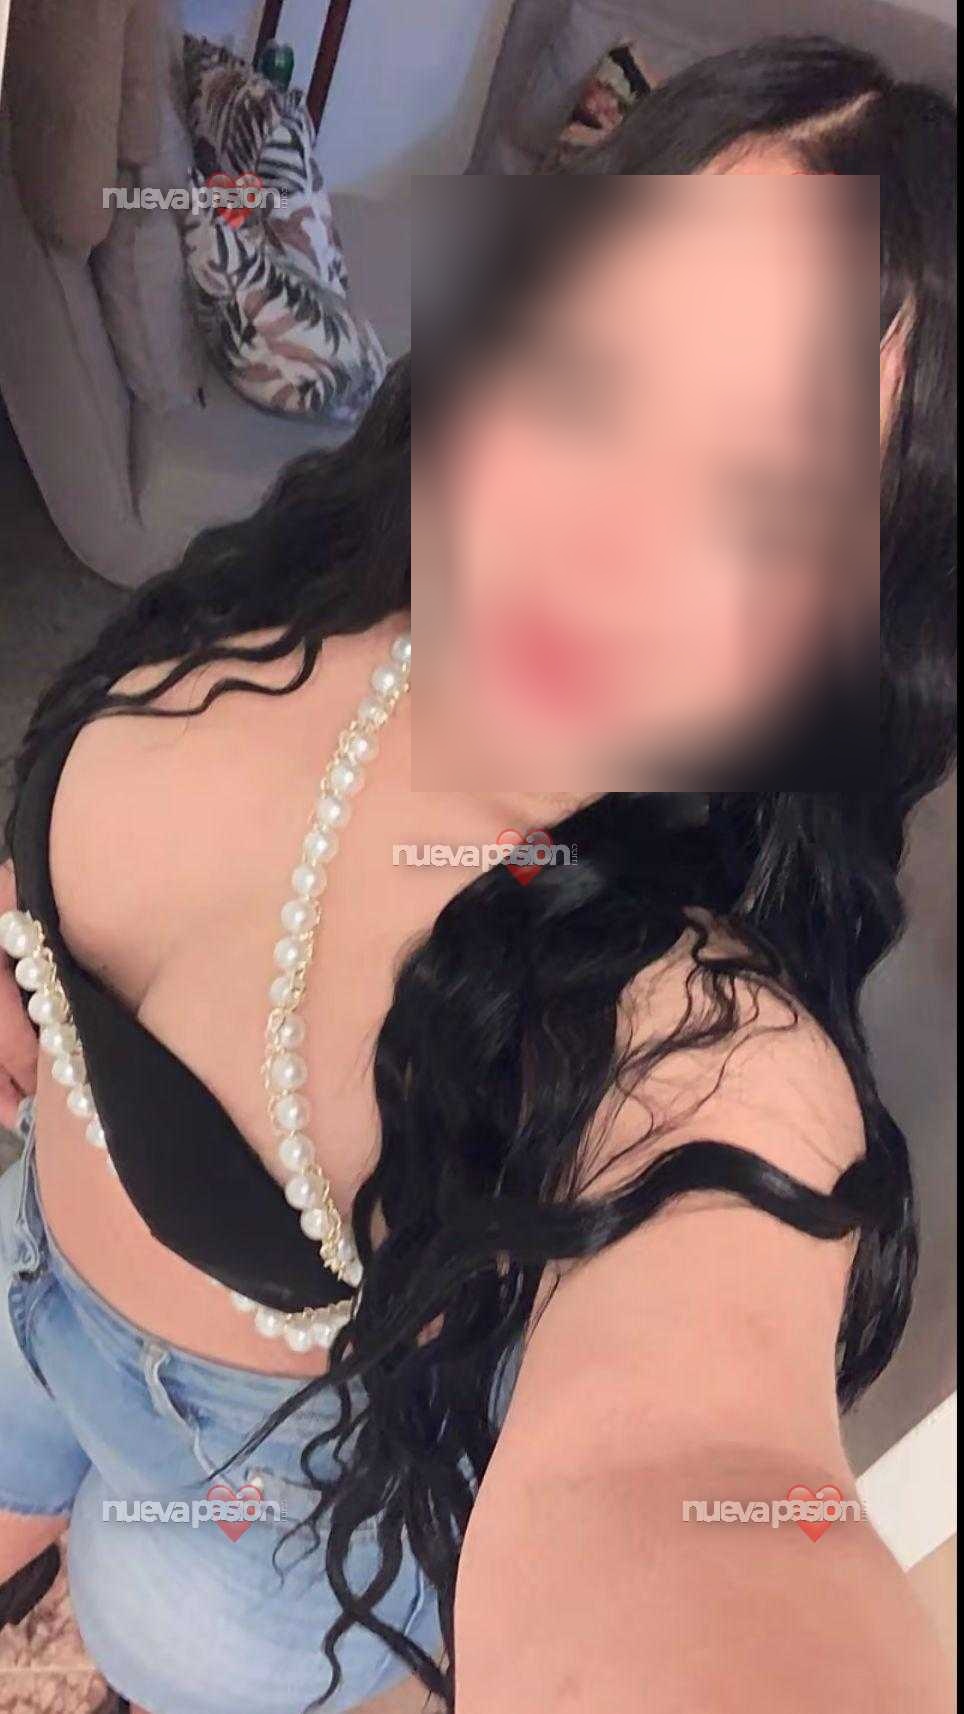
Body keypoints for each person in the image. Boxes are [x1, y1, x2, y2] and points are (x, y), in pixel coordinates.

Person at [0, 37, 956, 1714]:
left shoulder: (693, 1049)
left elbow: (696, 1478)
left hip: (240, 1542)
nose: (594, 531)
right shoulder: (328, 556)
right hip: (25, 1276)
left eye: (761, 504)